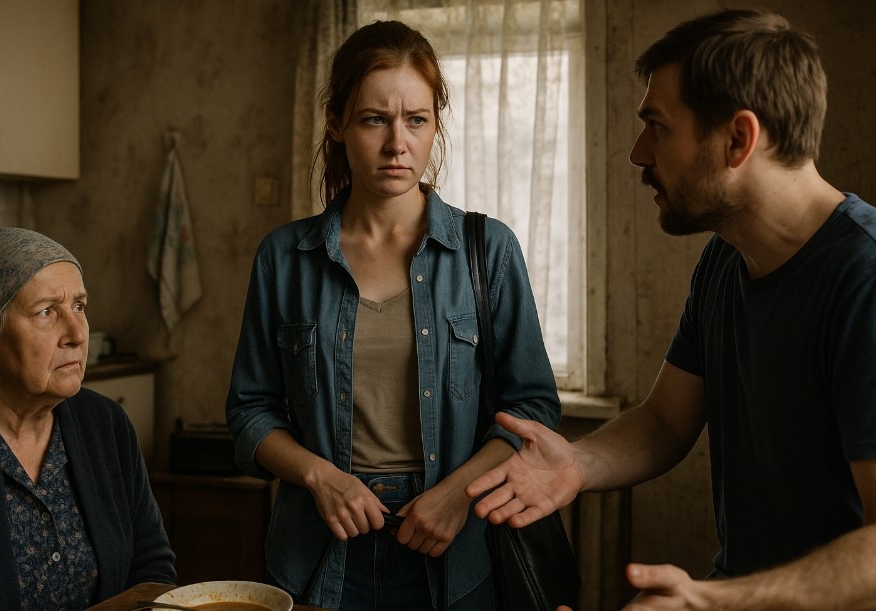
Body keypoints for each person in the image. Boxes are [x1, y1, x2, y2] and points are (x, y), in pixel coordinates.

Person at [466, 8, 876, 610]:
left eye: (657, 126)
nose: (638, 154)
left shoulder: (864, 279)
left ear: (738, 140)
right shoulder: (725, 259)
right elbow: (665, 421)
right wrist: (576, 463)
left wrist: (712, 601)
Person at [225, 19, 560, 611]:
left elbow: (530, 408)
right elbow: (250, 412)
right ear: (336, 123)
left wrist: (458, 495)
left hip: (451, 550)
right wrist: (320, 478)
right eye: (374, 119)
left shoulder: (489, 250)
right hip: (319, 552)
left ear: (435, 125)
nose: (396, 144)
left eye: (416, 120)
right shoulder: (285, 256)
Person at [0, 227, 175, 610]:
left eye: (79, 306)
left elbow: (150, 568)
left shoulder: (105, 424)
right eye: (47, 311)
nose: (77, 333)